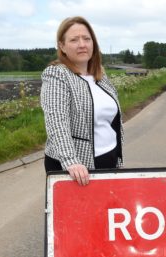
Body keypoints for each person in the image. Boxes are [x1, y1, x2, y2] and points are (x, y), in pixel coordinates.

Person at [41, 16, 123, 186]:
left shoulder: (100, 75)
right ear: (62, 46)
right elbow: (56, 122)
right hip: (77, 168)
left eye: (87, 38)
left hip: (110, 158)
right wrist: (70, 161)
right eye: (74, 40)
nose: (82, 44)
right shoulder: (57, 74)